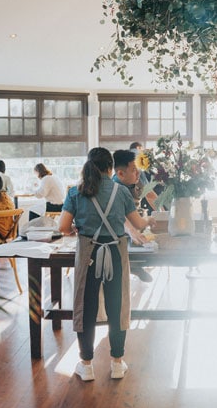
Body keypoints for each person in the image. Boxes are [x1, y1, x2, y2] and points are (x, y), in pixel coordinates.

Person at [58, 147, 155, 382]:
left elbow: (63, 227)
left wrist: (75, 229)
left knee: (86, 306)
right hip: (114, 251)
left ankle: (86, 365)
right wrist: (152, 218)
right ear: (111, 168)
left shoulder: (75, 192)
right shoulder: (121, 192)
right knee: (117, 306)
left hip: (88, 252)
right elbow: (138, 223)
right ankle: (117, 363)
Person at [113, 149, 154, 283]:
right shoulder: (115, 187)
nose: (138, 174)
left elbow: (150, 195)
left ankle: (135, 266)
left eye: (138, 170)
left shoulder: (138, 176)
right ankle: (133, 267)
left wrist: (165, 213)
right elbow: (120, 215)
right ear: (120, 173)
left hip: (136, 217)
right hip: (121, 225)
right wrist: (132, 230)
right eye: (134, 170)